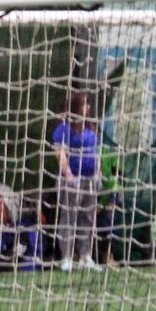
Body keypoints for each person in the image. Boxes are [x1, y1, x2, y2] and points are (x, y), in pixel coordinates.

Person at [51, 91, 102, 272]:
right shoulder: (63, 129)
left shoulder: (91, 129)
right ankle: (66, 257)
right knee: (69, 217)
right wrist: (69, 175)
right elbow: (60, 154)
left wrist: (99, 173)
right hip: (72, 181)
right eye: (83, 104)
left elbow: (95, 154)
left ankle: (85, 256)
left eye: (88, 104)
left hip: (90, 180)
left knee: (88, 218)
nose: (87, 107)